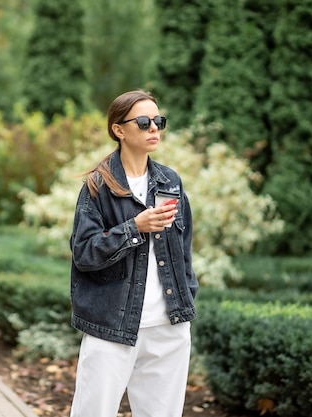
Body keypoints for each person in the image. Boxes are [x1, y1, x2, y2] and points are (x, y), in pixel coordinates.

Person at [69, 89, 198, 417]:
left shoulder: (170, 181)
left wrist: (186, 299)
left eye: (159, 121)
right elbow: (84, 253)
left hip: (168, 325)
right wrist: (134, 227)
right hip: (112, 325)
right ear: (119, 130)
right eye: (144, 122)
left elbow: (183, 251)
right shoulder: (98, 186)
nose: (154, 128)